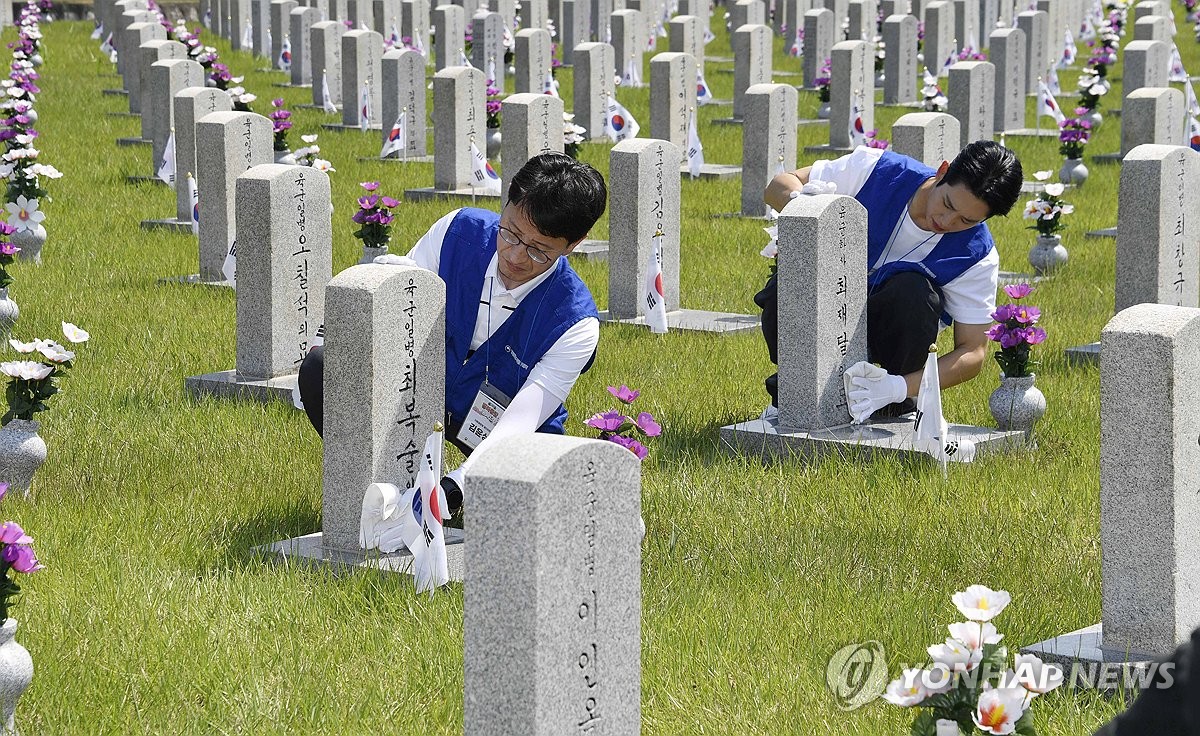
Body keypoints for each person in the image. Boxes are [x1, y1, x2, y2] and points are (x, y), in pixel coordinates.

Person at [297, 153, 607, 514]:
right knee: (323, 369)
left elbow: (519, 423)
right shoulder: (458, 233)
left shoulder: (575, 322)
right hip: (424, 393)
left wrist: (453, 491)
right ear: (506, 201)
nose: (516, 256)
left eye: (539, 251)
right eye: (511, 233)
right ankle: (385, 493)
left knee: (546, 515)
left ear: (575, 244)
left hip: (505, 430)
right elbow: (396, 315)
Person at [756, 141, 1023, 423]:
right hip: (823, 310)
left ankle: (892, 406)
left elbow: (973, 352)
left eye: (966, 220)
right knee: (793, 279)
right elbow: (778, 185)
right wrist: (803, 203)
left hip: (895, 347)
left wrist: (898, 388)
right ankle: (793, 394)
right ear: (943, 172)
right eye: (947, 204)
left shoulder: (977, 255)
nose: (946, 221)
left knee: (914, 292)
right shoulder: (877, 169)